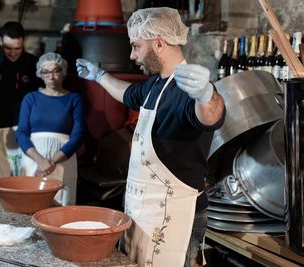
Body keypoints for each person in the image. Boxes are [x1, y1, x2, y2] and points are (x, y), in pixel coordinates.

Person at [76, 7, 226, 267]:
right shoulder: (155, 85)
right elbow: (127, 93)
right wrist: (99, 76)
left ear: (158, 43)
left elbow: (211, 116)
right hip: (145, 210)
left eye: (136, 46)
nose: (133, 56)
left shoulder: (186, 88)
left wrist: (205, 94)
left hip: (179, 213)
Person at [0, 21, 42, 197]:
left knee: (21, 181)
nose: (13, 53)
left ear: (24, 42)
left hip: (24, 129)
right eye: (8, 48)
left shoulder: (33, 63)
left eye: (17, 48)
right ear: (0, 42)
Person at [17, 52, 85, 206]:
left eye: (56, 71)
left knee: (61, 204)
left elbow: (78, 134)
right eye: (46, 72)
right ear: (40, 74)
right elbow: (21, 133)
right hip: (33, 157)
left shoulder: (74, 99)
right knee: (30, 203)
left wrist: (52, 161)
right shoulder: (31, 98)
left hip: (62, 159)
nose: (52, 77)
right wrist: (40, 161)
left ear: (63, 71)